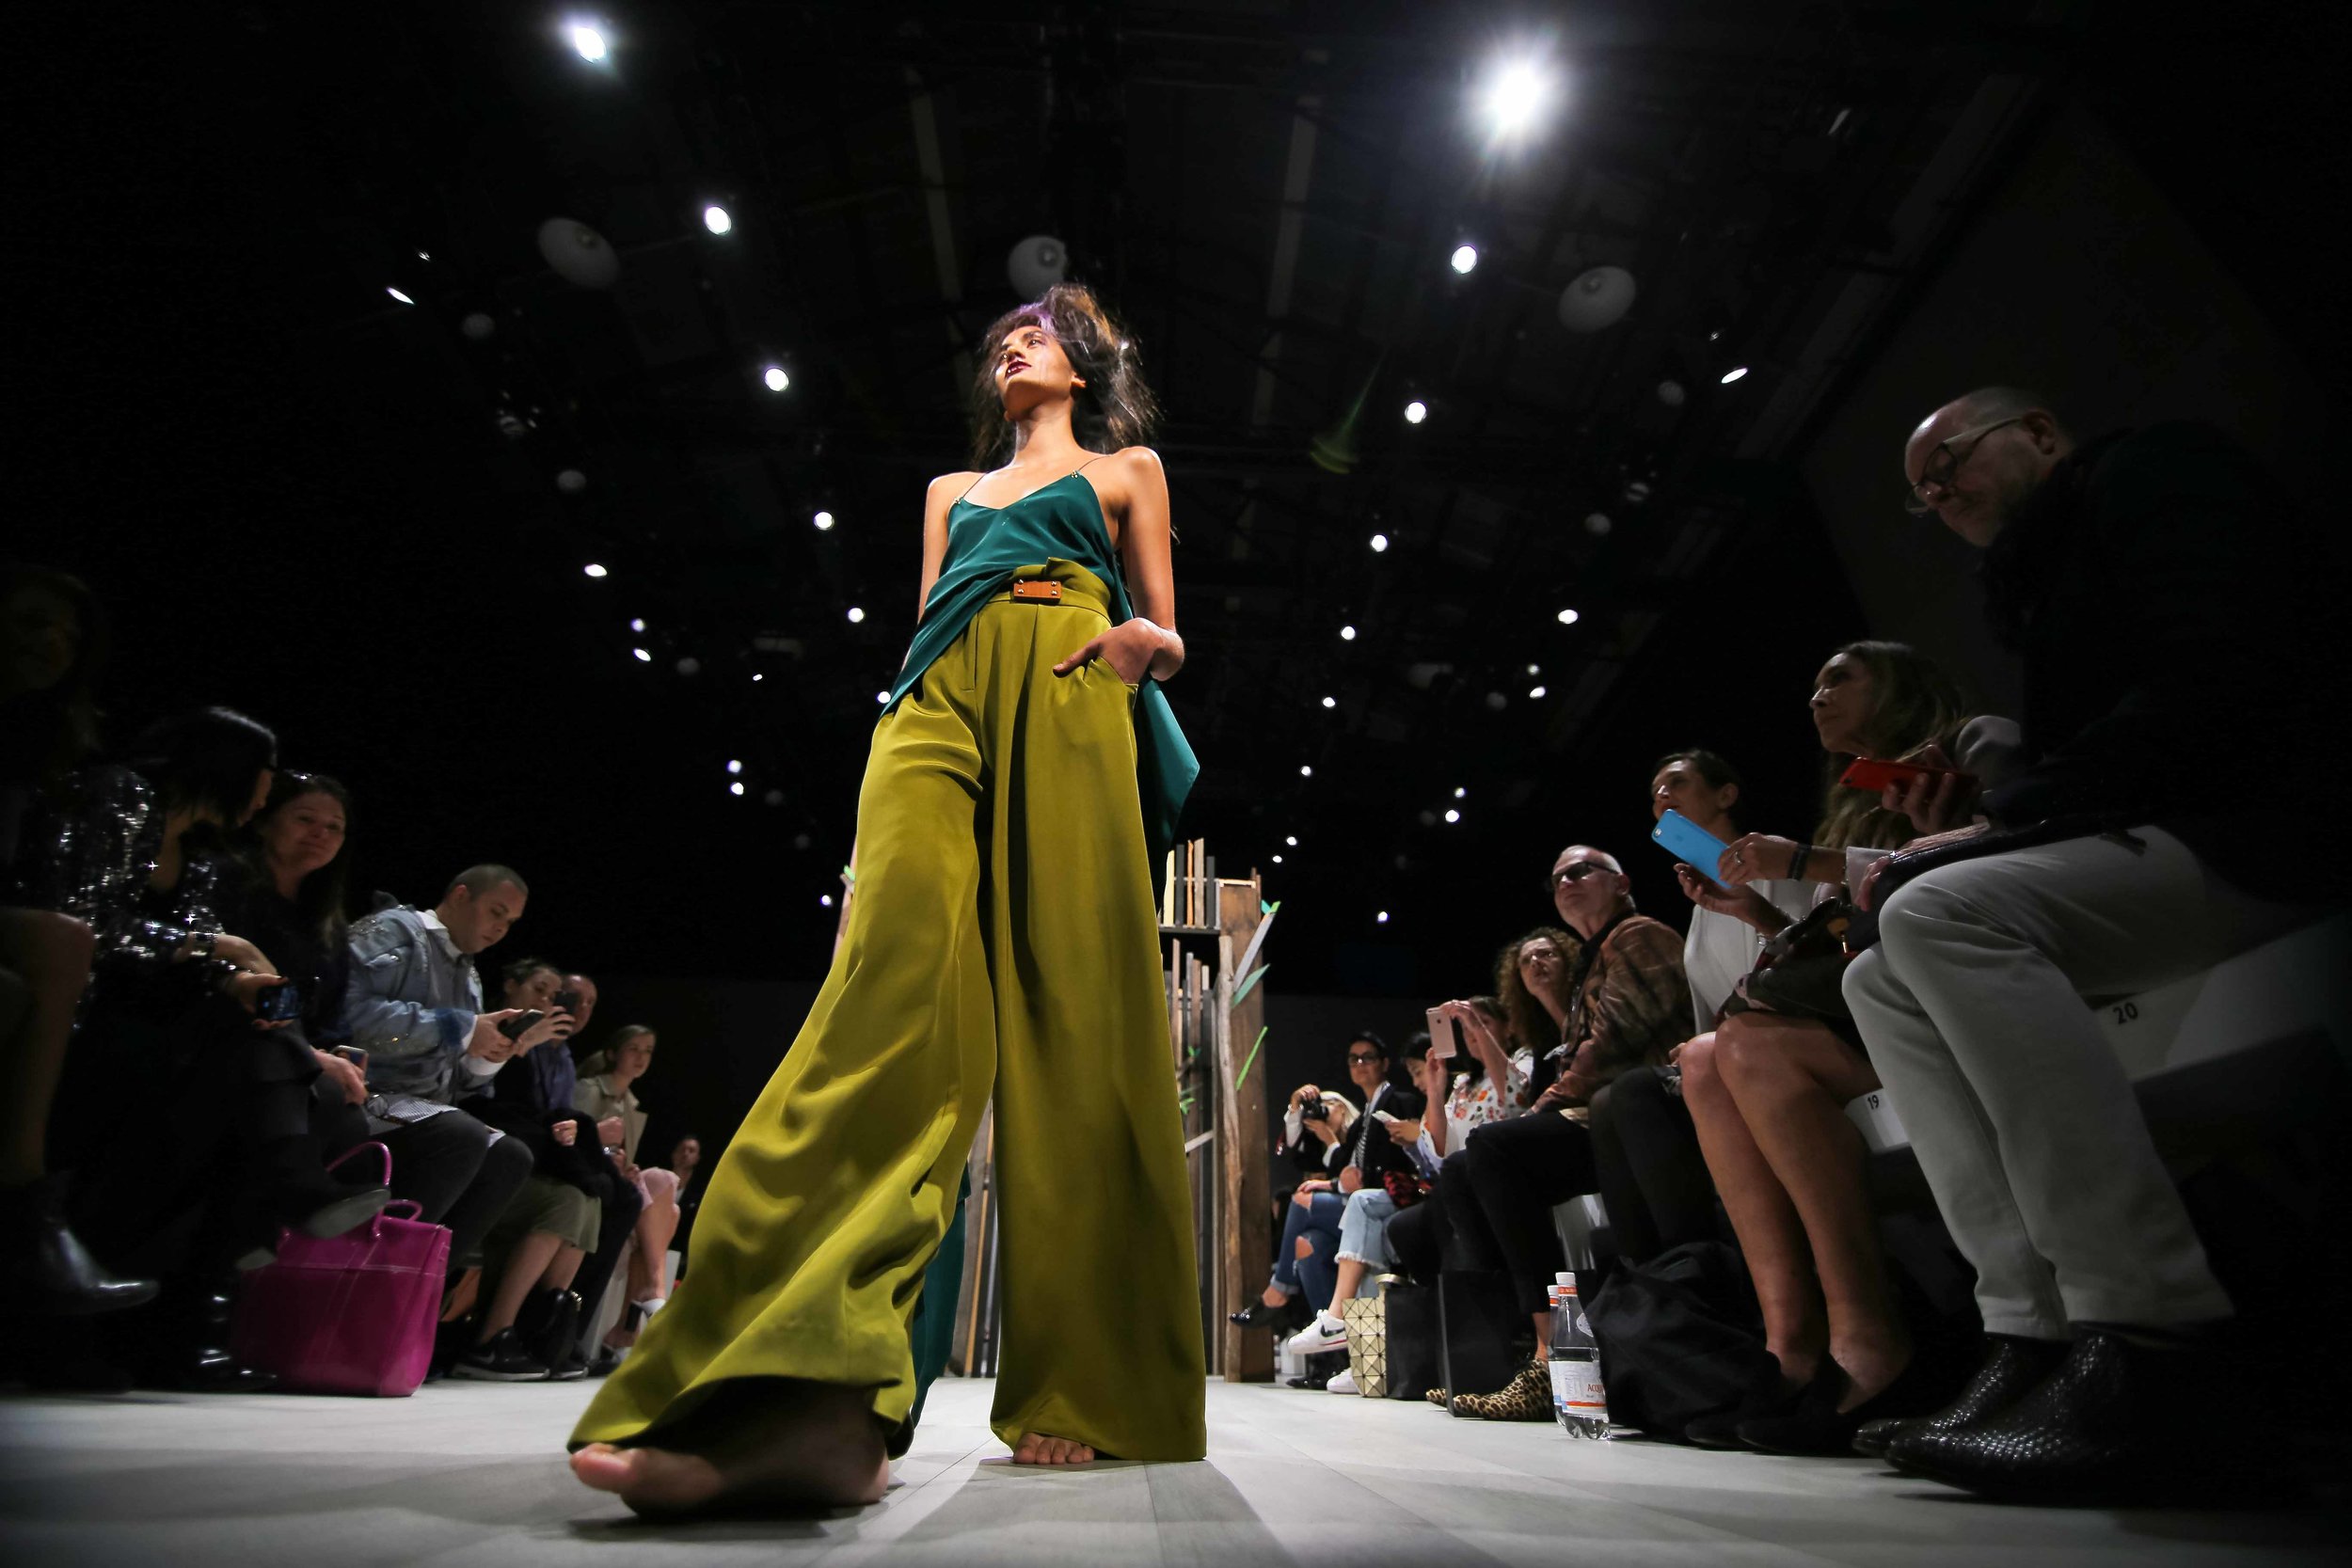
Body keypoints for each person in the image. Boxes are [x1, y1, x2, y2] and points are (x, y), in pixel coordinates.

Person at [571, 281, 1204, 1513]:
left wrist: (1140, 645)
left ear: (1083, 358)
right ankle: (800, 1392)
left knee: (1079, 1019)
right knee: (884, 1006)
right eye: (1001, 336)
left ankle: (1089, 1380)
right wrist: (862, 869)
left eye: (1039, 329)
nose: (1013, 342)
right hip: (933, 703)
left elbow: (1171, 632)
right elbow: (923, 625)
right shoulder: (945, 497)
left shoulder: (1130, 468)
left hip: (1076, 682)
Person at [1835, 388, 2346, 1502]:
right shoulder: (2042, 580)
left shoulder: (2156, 472)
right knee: (1876, 971)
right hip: (2176, 835)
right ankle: (2032, 1331)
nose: (1937, 493)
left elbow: (2224, 676)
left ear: (2041, 434)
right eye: (1920, 491)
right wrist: (1991, 820)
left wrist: (2012, 816)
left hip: (2266, 827)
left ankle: (2151, 1332)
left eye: (1950, 460)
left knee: (1932, 912)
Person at [1673, 644, 1980, 1452]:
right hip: (1867, 1010)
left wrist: (1804, 866)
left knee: (1742, 1048)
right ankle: (1790, 1343)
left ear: (1903, 684)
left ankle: (1867, 1332)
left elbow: (1971, 870)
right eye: (1812, 682)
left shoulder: (1964, 757)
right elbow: (1840, 947)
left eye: (1839, 677)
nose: (1818, 695)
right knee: (1705, 1058)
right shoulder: (1847, 807)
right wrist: (1759, 916)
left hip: (1943, 1010)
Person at [1444, 845, 1691, 1421]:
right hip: (1600, 1112)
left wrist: (1543, 1107)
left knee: (1495, 1149)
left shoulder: (1639, 935)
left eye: (1582, 871)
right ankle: (1527, 1348)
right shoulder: (1594, 961)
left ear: (1621, 881)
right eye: (1557, 878)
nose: (1567, 882)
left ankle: (1553, 1350)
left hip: (1643, 1108)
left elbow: (1617, 1041)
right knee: (1462, 1170)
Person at [1587, 751, 1814, 1267]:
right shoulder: (1701, 910)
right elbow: (1709, 1012)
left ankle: (1695, 1271)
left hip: (1784, 1038)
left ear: (1725, 794)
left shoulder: (1782, 867)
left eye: (1677, 783)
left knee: (1632, 1094)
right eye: (1654, 794)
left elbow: (1811, 959)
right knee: (1612, 1103)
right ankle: (1655, 1282)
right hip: (1725, 1056)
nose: (1661, 797)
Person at [0, 563, 154, 1315]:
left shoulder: (42, 759)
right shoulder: (114, 799)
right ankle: (28, 1205)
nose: (51, 643)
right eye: (32, 622)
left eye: (66, 634)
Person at [340, 866, 542, 1298]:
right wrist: (463, 1029)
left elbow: (460, 1084)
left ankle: (414, 1296)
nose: (500, 929)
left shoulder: (468, 974)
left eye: (509, 923)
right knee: (460, 1134)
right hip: (361, 1096)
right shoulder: (394, 930)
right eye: (495, 913)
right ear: (460, 895)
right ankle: (373, 1291)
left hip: (422, 1108)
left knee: (510, 1155)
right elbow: (351, 1017)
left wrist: (490, 1055)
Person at [1278, 1033, 1424, 1363]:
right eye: (1353, 1059)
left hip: (1389, 1200)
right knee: (1310, 1242)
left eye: (1368, 1057)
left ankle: (1281, 1291)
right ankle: (1342, 1357)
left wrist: (1336, 1174)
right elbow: (1336, 1167)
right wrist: (1297, 1112)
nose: (1360, 1065)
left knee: (1306, 1204)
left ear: (1385, 1064)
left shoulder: (1398, 1101)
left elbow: (1380, 1171)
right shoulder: (1366, 1116)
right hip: (1363, 1200)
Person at [573, 1026, 681, 1338]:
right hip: (589, 1185)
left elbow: (621, 1158)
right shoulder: (589, 1090)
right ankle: (648, 1296)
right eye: (634, 1048)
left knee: (665, 1204)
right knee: (663, 1195)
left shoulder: (630, 1105)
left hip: (615, 1190)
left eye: (648, 1050)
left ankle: (632, 1316)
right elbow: (570, 1139)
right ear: (612, 1053)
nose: (641, 1057)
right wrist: (609, 1158)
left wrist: (626, 1170)